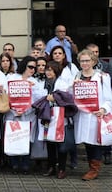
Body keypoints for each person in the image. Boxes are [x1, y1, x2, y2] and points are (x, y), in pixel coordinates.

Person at [33, 61, 77, 179]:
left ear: (56, 71)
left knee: (60, 144)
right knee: (50, 143)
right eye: (47, 69)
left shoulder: (62, 83)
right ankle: (51, 167)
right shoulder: (42, 83)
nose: (48, 72)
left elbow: (67, 98)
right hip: (47, 117)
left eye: (51, 70)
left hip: (60, 117)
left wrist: (54, 98)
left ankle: (61, 168)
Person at [73, 49, 112, 180]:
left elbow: (108, 97)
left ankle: (94, 169)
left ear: (93, 61)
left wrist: (103, 109)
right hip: (83, 114)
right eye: (82, 61)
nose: (84, 63)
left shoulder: (102, 77)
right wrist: (72, 86)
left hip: (97, 115)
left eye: (87, 60)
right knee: (88, 142)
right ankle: (91, 167)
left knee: (96, 142)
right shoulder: (77, 76)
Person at [5, 56, 39, 174]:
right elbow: (6, 96)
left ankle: (25, 164)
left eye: (34, 68)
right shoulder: (11, 78)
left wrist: (32, 90)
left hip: (28, 115)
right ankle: (14, 164)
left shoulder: (35, 82)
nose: (32, 70)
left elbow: (37, 101)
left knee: (26, 139)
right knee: (13, 138)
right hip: (13, 114)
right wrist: (15, 110)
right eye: (30, 67)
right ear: (24, 65)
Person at [86, 43, 112, 164]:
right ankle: (92, 162)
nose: (94, 55)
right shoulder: (80, 72)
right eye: (92, 53)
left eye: (96, 52)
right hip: (87, 110)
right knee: (90, 137)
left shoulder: (105, 69)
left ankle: (104, 156)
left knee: (104, 131)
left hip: (102, 107)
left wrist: (105, 107)